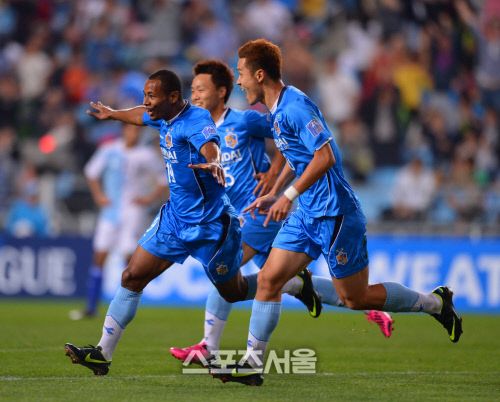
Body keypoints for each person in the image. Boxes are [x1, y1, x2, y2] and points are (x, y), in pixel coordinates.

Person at [211, 39, 463, 387]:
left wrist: (288, 194)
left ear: (258, 74)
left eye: (240, 74)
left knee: (353, 297)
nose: (238, 82)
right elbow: (295, 154)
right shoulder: (274, 110)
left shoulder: (296, 106)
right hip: (306, 214)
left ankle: (435, 303)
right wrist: (273, 193)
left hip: (336, 214)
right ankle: (253, 364)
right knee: (269, 280)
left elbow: (324, 156)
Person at [170, 59, 395, 366]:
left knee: (226, 268)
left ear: (220, 92)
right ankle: (369, 308)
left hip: (261, 213)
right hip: (252, 210)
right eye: (192, 90)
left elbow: (289, 143)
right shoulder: (201, 132)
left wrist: (274, 182)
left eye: (200, 89)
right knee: (276, 281)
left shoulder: (246, 120)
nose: (193, 95)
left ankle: (209, 347)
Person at [64, 69, 269, 376]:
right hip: (174, 221)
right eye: (145, 95)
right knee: (132, 276)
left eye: (151, 96)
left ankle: (287, 281)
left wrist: (213, 162)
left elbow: (210, 145)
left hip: (211, 226)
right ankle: (101, 354)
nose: (146, 102)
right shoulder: (162, 115)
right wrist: (113, 113)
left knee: (234, 292)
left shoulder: (196, 120)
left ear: (173, 97)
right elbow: (140, 116)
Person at [69, 124, 168, 321]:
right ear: (124, 130)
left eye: (137, 130)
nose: (134, 133)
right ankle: (91, 307)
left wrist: (149, 199)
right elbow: (91, 173)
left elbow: (163, 180)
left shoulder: (145, 154)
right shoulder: (109, 150)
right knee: (99, 256)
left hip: (133, 212)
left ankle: (126, 307)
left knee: (129, 259)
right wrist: (99, 196)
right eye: (130, 129)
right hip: (110, 212)